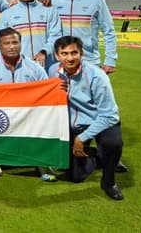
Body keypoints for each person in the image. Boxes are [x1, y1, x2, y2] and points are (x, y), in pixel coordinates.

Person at [49, 36, 125, 200]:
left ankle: (109, 182)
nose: (70, 58)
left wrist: (81, 138)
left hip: (100, 121)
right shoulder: (53, 71)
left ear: (81, 54)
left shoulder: (97, 76)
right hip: (73, 125)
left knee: (112, 143)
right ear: (57, 55)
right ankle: (99, 157)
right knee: (75, 176)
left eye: (74, 53)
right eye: (64, 53)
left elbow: (109, 115)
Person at [0, 28, 49, 177]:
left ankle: (41, 162)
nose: (12, 47)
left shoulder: (35, 68)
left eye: (15, 42)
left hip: (27, 115)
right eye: (6, 43)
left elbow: (47, 91)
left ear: (21, 44)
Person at [50, 0, 117, 73]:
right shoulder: (52, 2)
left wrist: (110, 60)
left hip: (89, 61)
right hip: (60, 62)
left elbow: (108, 30)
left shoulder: (96, 0)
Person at [0, 0, 62, 68]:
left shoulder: (49, 10)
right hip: (19, 65)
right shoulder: (7, 14)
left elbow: (56, 36)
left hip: (46, 63)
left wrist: (44, 51)